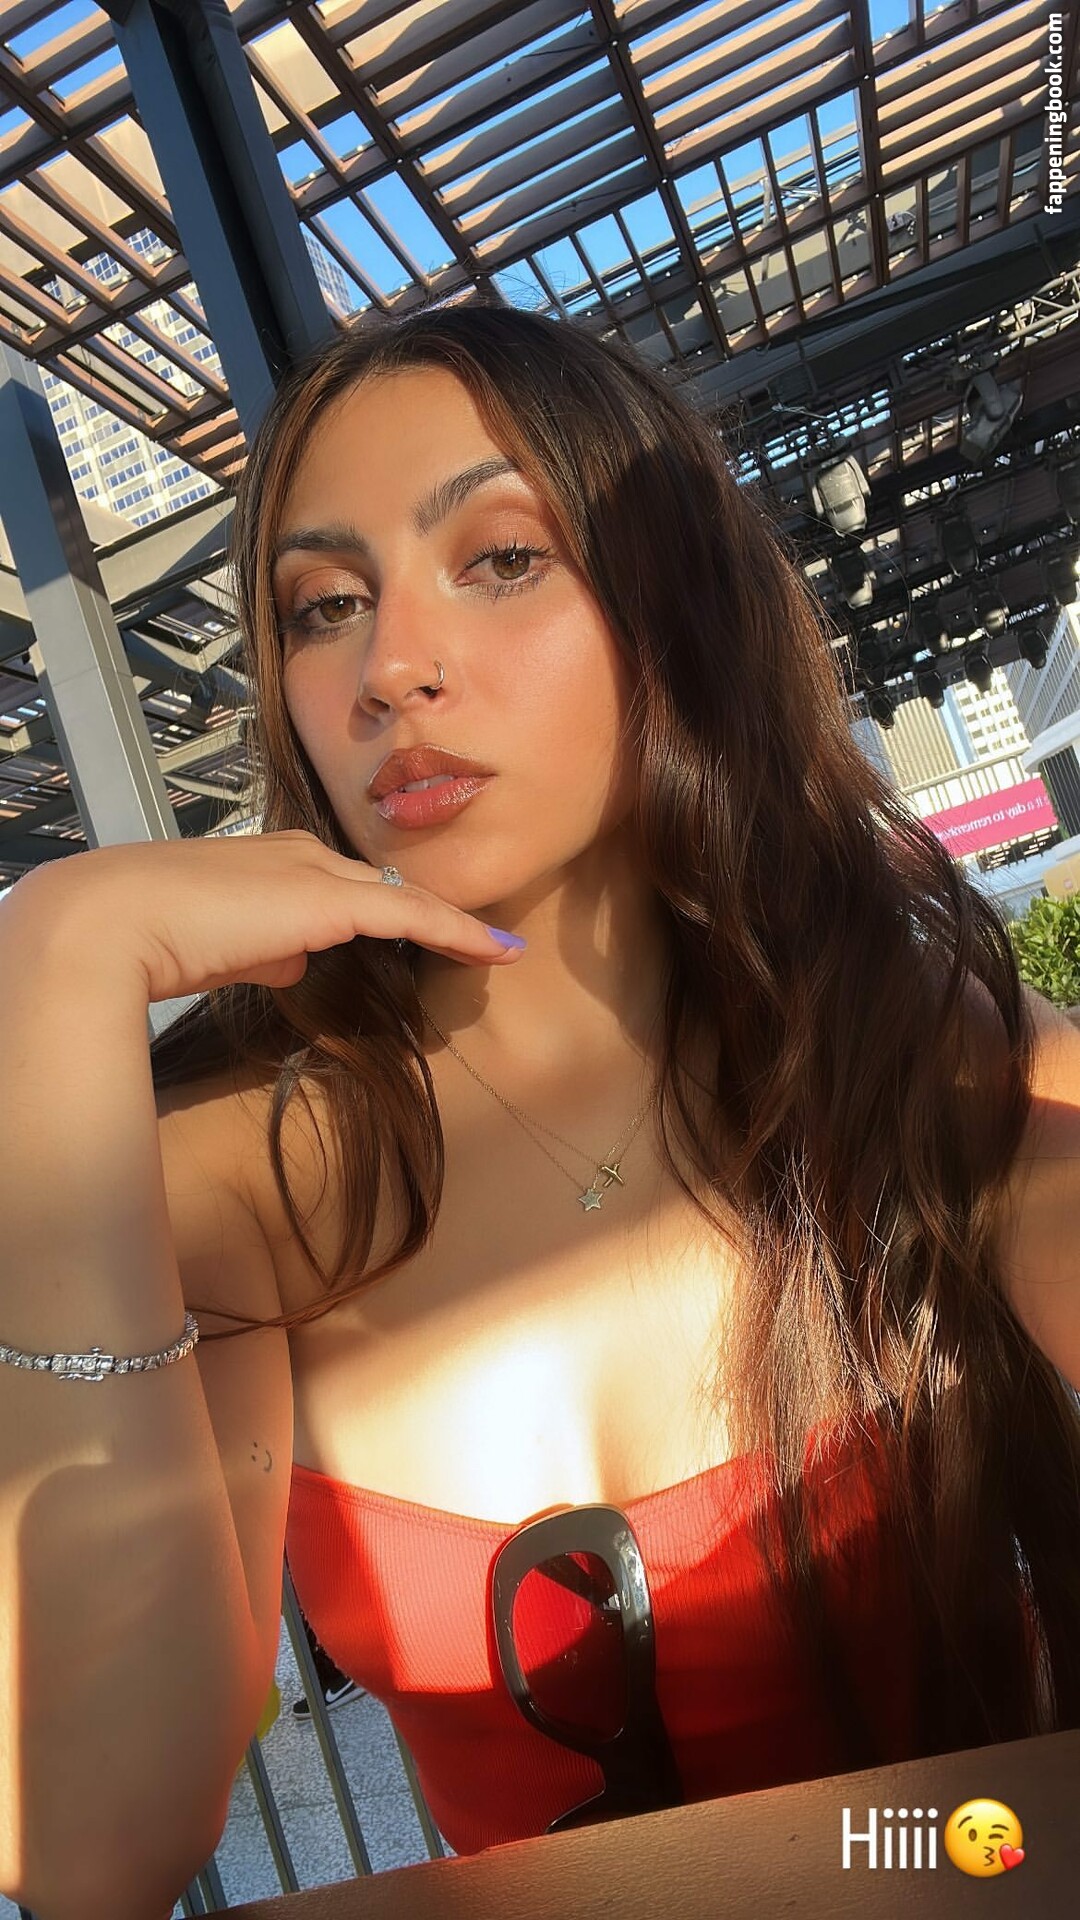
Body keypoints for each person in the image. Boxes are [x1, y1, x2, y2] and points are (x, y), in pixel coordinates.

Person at [2, 303, 1079, 1909]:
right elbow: (95, 1853)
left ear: (671, 607)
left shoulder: (914, 1049)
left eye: (500, 558)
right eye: (325, 605)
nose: (391, 669)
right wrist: (55, 960)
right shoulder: (233, 1184)